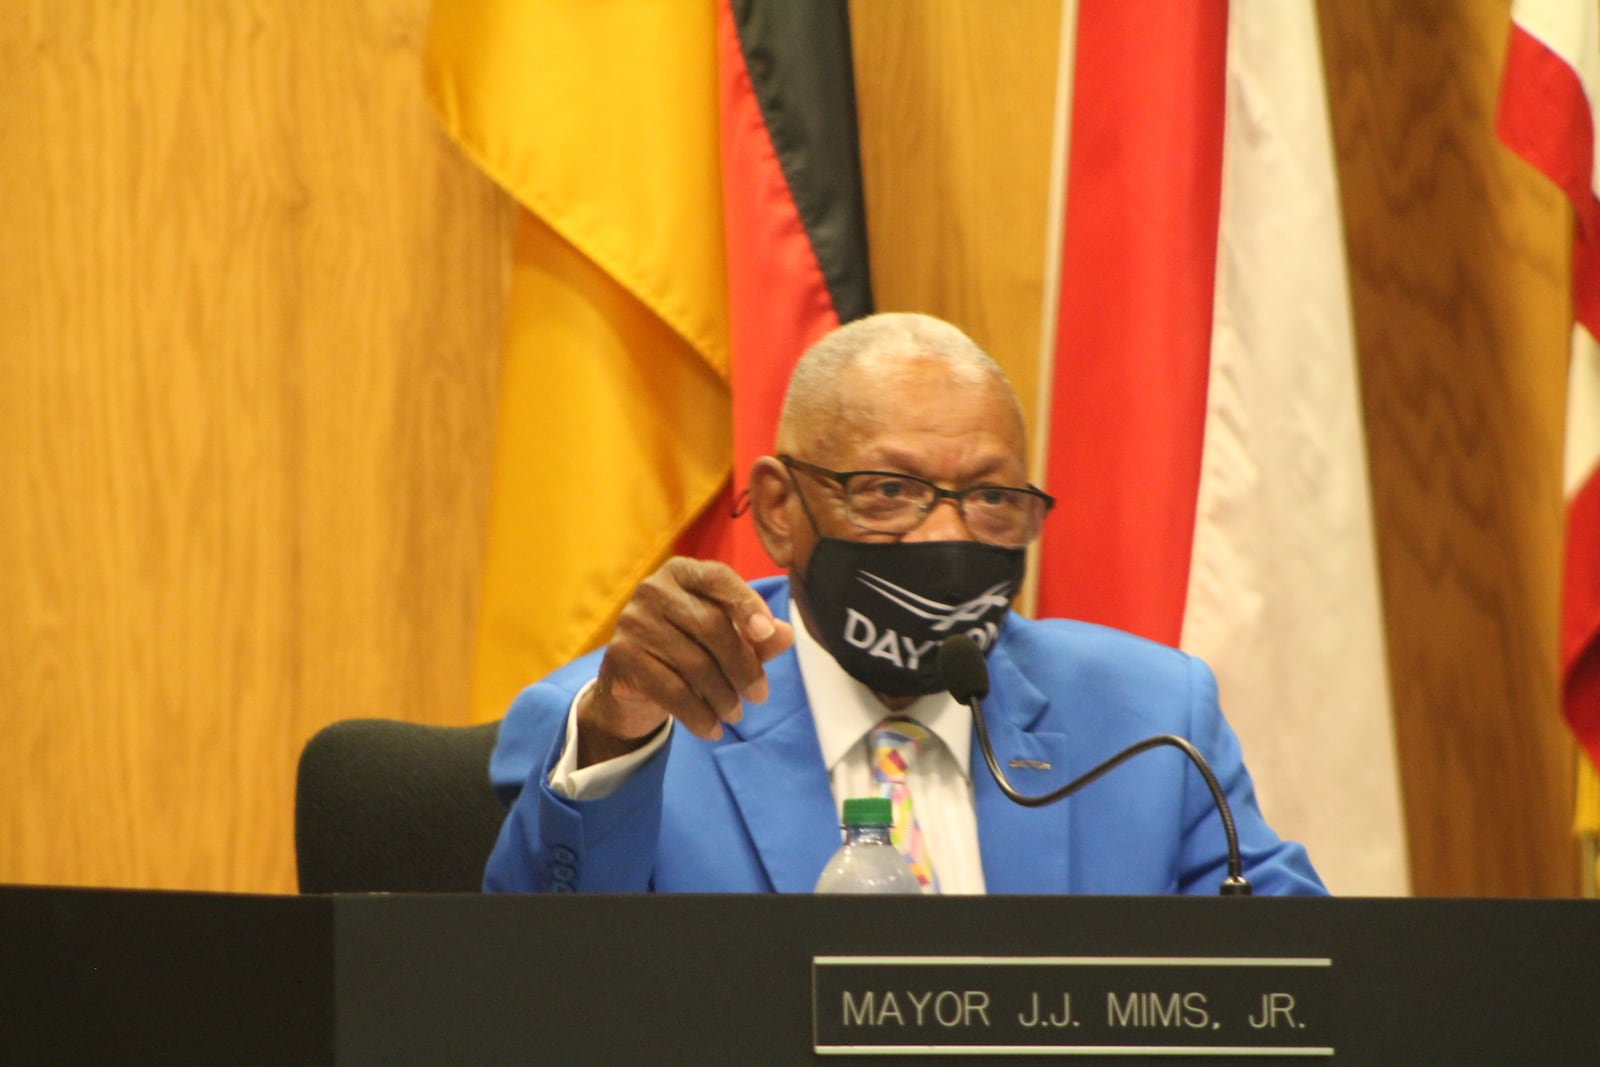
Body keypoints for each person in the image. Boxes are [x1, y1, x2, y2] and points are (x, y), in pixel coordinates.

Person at [483, 312, 1325, 896]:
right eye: (889, 491)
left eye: (992, 499)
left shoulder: (1148, 720)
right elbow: (537, 991)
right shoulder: (626, 727)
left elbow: (1305, 983)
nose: (945, 540)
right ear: (779, 509)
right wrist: (615, 738)